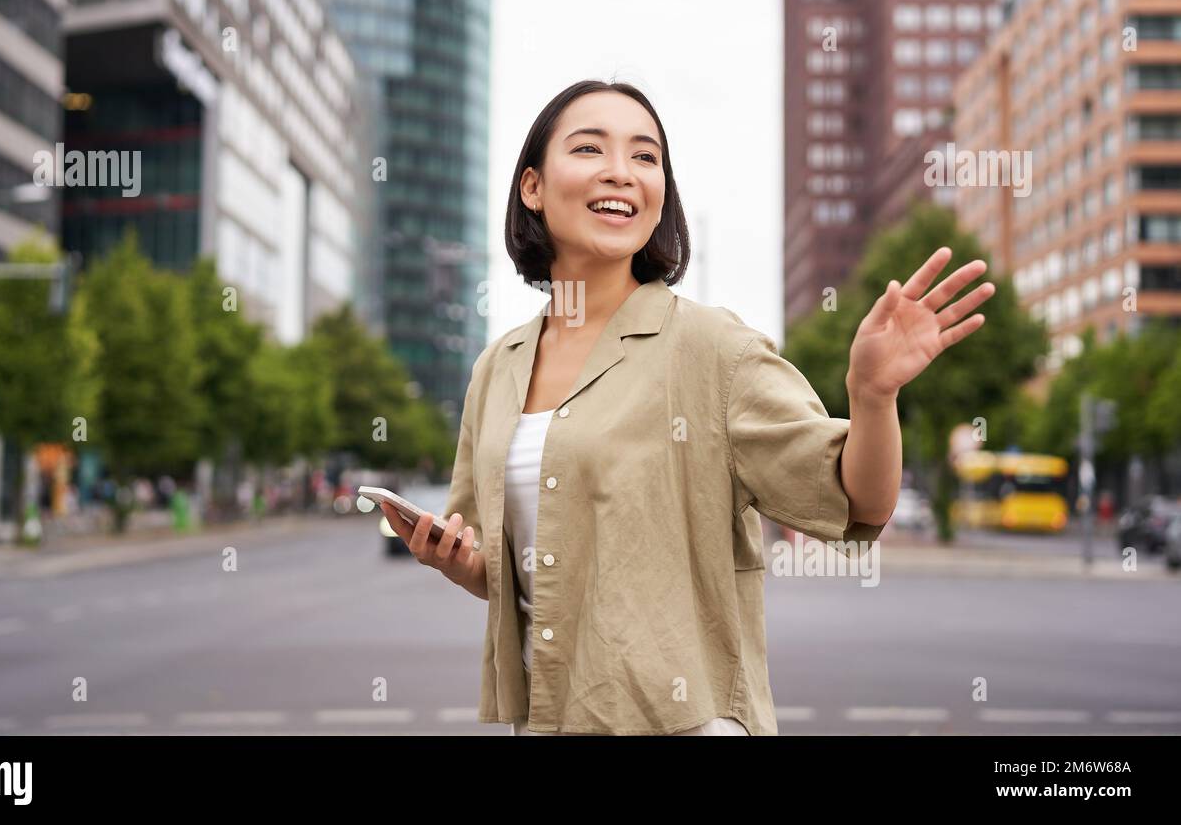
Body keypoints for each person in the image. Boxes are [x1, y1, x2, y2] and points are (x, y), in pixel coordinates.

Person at [378, 79, 995, 735]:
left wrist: (872, 396)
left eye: (646, 157)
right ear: (532, 187)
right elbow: (508, 569)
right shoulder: (496, 368)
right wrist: (461, 562)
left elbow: (858, 502)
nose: (622, 171)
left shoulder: (711, 348)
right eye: (590, 149)